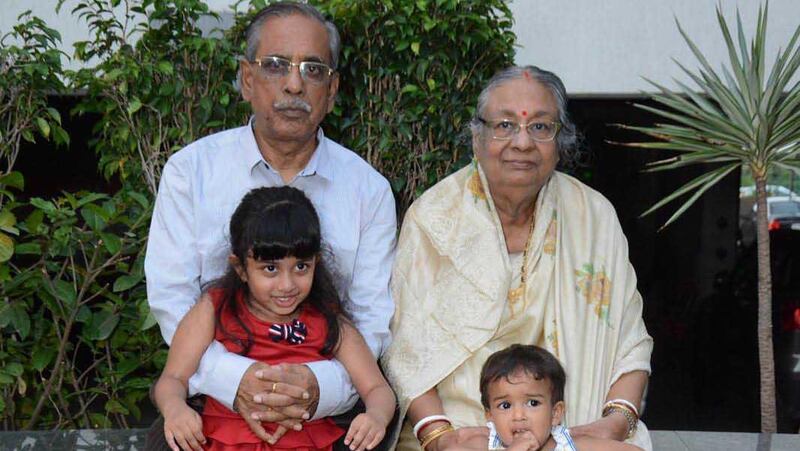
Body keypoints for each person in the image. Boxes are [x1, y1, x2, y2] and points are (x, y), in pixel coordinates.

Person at [144, 1, 396, 445]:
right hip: (213, 406)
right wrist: (237, 379)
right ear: (247, 79)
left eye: (314, 70)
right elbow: (173, 299)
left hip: (324, 413)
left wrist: (319, 387)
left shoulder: (368, 190)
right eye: (276, 65)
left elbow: (372, 318)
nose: (295, 84)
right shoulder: (191, 172)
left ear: (333, 89)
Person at [383, 65, 654, 450]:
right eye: (505, 126)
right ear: (477, 138)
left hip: (573, 429)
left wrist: (612, 425)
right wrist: (440, 436)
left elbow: (631, 344)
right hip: (464, 432)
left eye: (541, 127)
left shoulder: (592, 215)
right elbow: (406, 349)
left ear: (561, 142)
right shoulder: (435, 218)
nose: (522, 143)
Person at [153, 187, 396, 451]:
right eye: (270, 269)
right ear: (241, 268)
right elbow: (172, 379)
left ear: (317, 261)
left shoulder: (328, 320)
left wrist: (376, 416)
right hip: (221, 442)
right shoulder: (214, 309)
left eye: (301, 267)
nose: (287, 284)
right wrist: (175, 408)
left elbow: (377, 389)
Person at [474, 344, 642, 451]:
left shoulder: (571, 444)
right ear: (490, 415)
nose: (518, 416)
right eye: (505, 405)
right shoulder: (485, 445)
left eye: (533, 403)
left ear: (555, 413)